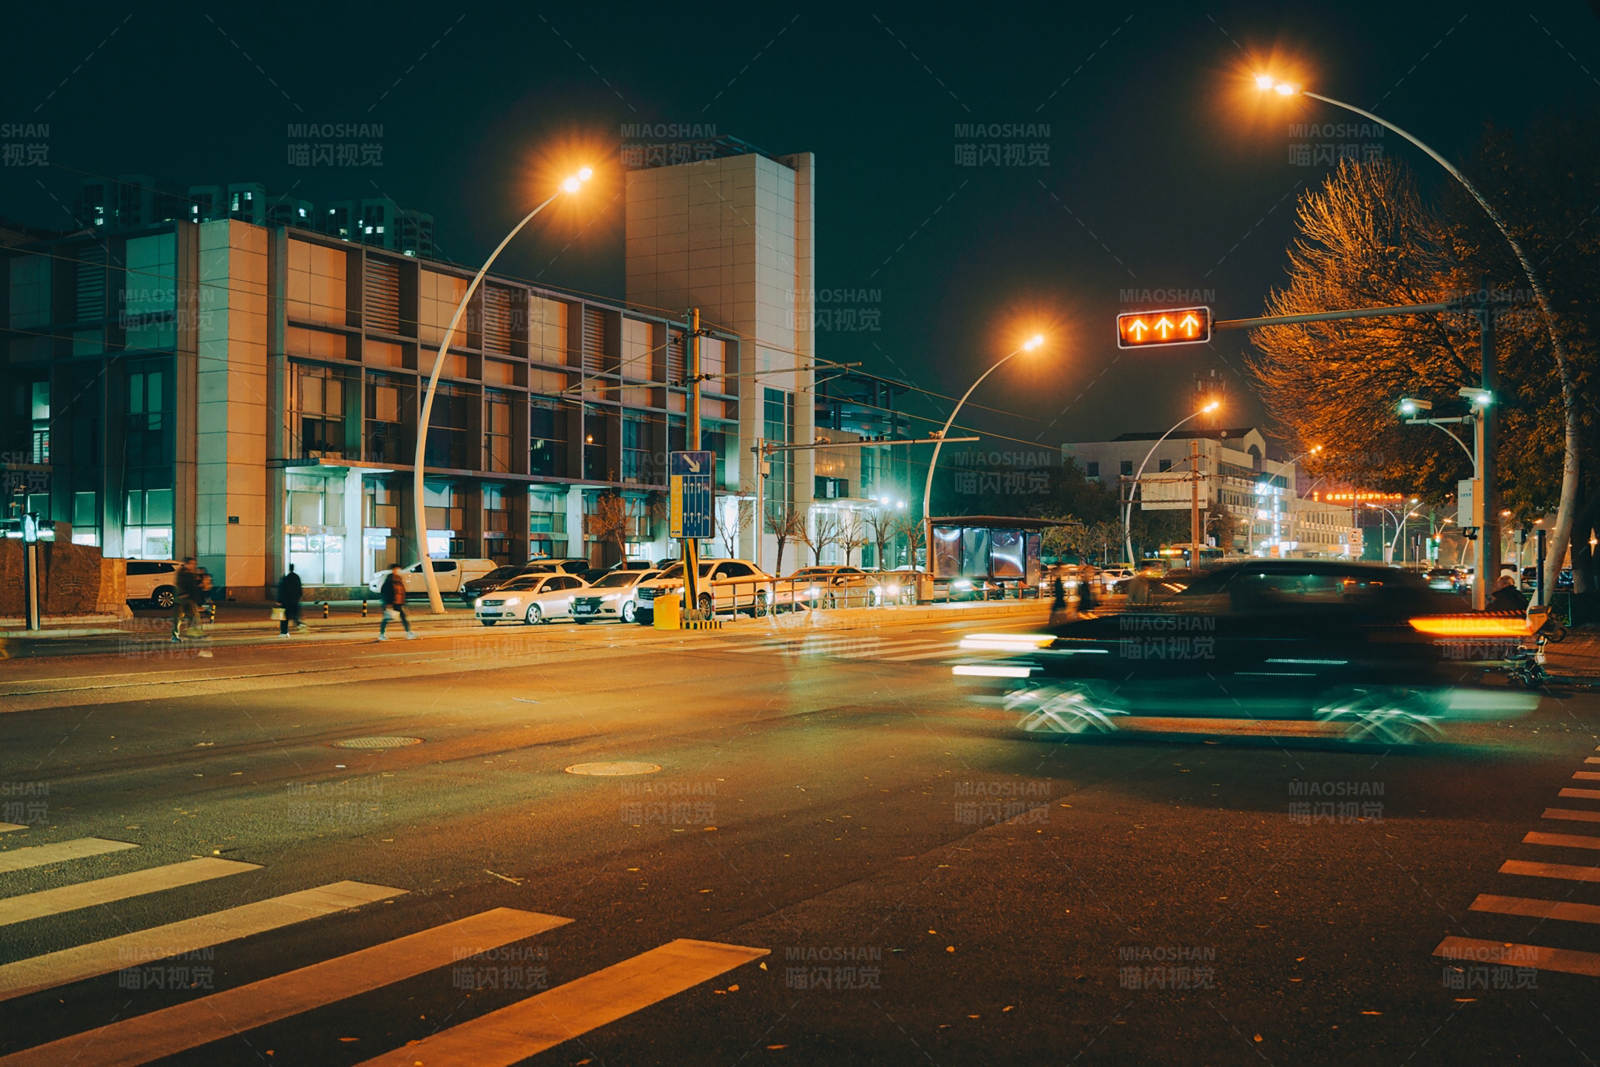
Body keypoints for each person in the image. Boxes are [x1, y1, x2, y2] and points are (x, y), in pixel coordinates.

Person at [378, 563, 416, 641]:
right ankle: (382, 634)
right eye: (397, 569)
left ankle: (409, 632)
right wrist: (387, 603)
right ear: (393, 570)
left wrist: (404, 602)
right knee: (387, 618)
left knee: (403, 617)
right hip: (391, 603)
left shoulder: (399, 579)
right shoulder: (389, 580)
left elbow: (402, 591)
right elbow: (385, 592)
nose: (399, 570)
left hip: (398, 602)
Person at [171, 557, 204, 641]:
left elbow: (193, 586)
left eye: (194, 564)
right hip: (181, 599)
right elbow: (182, 585)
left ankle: (193, 634)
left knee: (193, 617)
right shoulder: (182, 573)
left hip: (188, 599)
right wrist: (183, 594)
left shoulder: (190, 573)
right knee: (178, 618)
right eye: (191, 564)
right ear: (186, 564)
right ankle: (175, 636)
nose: (193, 565)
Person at [276, 563, 305, 636]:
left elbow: (281, 590)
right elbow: (300, 590)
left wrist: (279, 600)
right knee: (295, 616)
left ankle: (284, 632)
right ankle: (300, 624)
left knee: (284, 618)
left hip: (286, 602)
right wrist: (298, 597)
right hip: (295, 601)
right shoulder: (297, 578)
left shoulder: (285, 578)